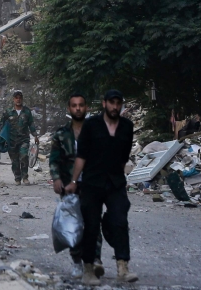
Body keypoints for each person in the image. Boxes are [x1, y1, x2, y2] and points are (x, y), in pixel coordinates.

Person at [66, 89, 138, 285]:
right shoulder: (92, 126)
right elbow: (81, 156)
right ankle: (88, 268)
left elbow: (124, 156)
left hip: (115, 183)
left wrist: (119, 176)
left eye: (118, 103)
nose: (115, 107)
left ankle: (123, 267)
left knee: (120, 221)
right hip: (92, 182)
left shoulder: (126, 127)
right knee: (90, 225)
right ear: (104, 104)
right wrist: (74, 182)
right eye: (112, 103)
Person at [49, 93, 103, 279]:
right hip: (69, 187)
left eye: (81, 105)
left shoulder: (96, 132)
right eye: (74, 105)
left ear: (86, 108)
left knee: (93, 222)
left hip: (92, 185)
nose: (78, 108)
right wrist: (56, 179)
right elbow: (54, 160)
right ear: (69, 109)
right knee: (72, 225)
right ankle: (77, 263)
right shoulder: (61, 135)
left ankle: (95, 260)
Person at [0, 89, 37, 184]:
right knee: (15, 161)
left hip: (24, 139)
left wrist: (35, 135)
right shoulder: (8, 112)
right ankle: (17, 178)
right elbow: (2, 125)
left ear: (22, 99)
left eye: (20, 98)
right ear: (13, 99)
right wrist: (0, 138)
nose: (18, 100)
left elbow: (31, 124)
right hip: (11, 140)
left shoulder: (27, 112)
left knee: (24, 156)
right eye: (16, 98)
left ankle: (25, 177)